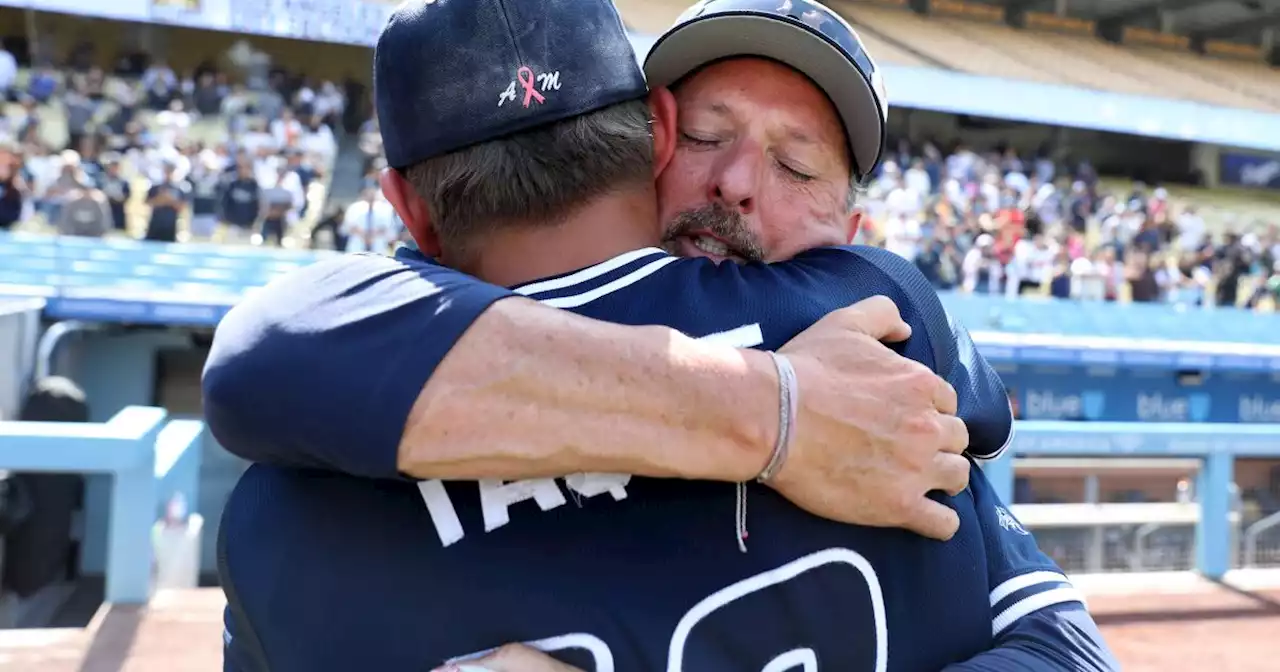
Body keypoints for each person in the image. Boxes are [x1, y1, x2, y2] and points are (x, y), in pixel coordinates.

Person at [210, 1, 1115, 670]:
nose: (736, 184)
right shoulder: (883, 333)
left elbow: (1069, 650)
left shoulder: (281, 510)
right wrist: (776, 410)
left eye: (799, 166)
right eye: (711, 137)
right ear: (655, 135)